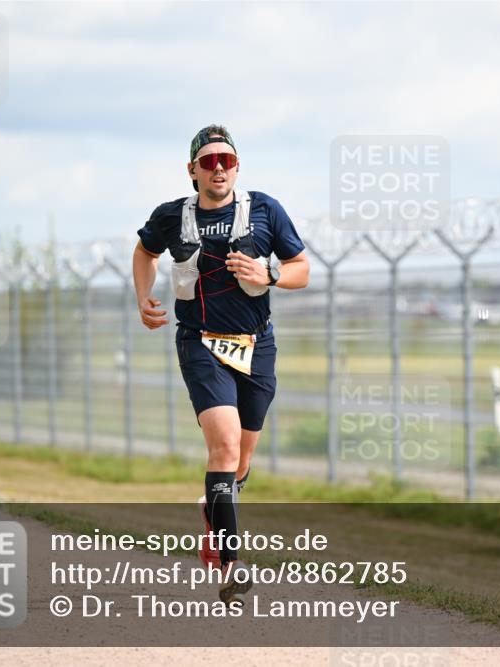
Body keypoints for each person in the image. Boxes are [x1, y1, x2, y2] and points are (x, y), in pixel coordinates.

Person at [132, 124, 309, 606]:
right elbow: (145, 252)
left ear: (237, 167)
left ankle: (214, 514)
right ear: (192, 170)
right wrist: (143, 297)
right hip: (200, 343)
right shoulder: (172, 216)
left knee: (242, 460)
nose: (218, 168)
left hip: (256, 345)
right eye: (208, 161)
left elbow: (302, 269)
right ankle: (231, 566)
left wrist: (269, 272)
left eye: (225, 161)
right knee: (225, 446)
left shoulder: (265, 210)